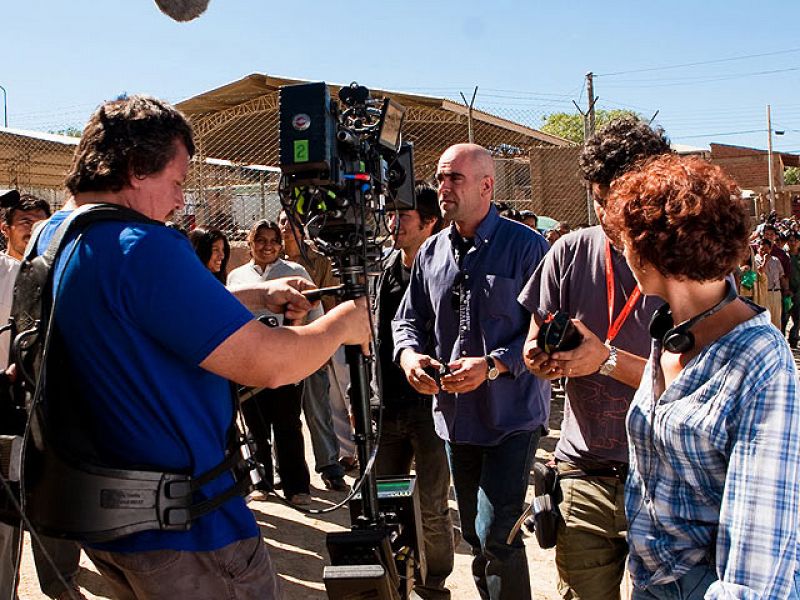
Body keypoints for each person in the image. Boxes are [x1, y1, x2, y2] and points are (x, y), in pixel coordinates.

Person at [31, 95, 369, 600]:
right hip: (191, 532)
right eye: (177, 181)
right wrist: (343, 325)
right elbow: (270, 363)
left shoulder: (56, 235)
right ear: (136, 169)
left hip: (108, 525)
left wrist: (256, 296)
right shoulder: (142, 245)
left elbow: (132, 309)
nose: (179, 201)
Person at [605, 154, 800, 598]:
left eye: (627, 242)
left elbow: (758, 553)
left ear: (653, 251)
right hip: (653, 579)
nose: (623, 253)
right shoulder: (671, 332)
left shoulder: (759, 362)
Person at [520, 116, 670, 600]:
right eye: (598, 199)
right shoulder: (568, 252)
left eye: (616, 200)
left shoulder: (689, 263)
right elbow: (531, 344)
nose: (605, 214)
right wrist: (541, 359)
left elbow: (696, 388)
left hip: (667, 480)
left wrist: (605, 360)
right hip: (582, 473)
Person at [393, 143, 550, 600]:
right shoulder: (431, 252)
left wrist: (494, 365)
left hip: (512, 417)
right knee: (476, 536)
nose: (443, 187)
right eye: (441, 178)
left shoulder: (527, 248)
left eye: (455, 178)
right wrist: (409, 356)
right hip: (456, 420)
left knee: (498, 533)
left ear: (486, 186)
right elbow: (407, 319)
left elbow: (548, 329)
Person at [0, 191, 87, 600]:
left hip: (51, 401)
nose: (33, 230)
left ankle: (62, 584)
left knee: (55, 493)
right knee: (6, 504)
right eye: (25, 222)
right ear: (5, 228)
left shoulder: (60, 271)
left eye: (41, 223)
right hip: (5, 402)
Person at [373, 184, 453, 599]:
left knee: (432, 507)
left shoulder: (446, 270)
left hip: (432, 410)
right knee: (387, 498)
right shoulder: (387, 269)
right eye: (391, 215)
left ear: (429, 223)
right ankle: (395, 579)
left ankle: (433, 583)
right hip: (388, 408)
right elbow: (378, 339)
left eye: (403, 216)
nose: (393, 224)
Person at [227, 219, 317, 506]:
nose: (267, 246)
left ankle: (297, 486)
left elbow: (314, 315)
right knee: (255, 425)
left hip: (286, 361)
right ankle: (262, 482)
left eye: (273, 241)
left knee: (288, 423)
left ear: (280, 244)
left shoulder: (296, 273)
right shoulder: (237, 277)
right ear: (250, 242)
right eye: (261, 240)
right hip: (249, 362)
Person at [277, 209, 348, 491]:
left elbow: (330, 304)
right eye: (282, 222)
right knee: (284, 414)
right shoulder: (273, 260)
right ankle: (285, 470)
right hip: (281, 348)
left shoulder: (319, 262)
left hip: (312, 344)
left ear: (302, 227)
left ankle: (330, 466)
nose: (286, 227)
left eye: (291, 222)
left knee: (318, 408)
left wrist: (325, 345)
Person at [754, 237, 784, 329]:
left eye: (766, 249)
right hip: (763, 294)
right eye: (762, 249)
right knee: (766, 321)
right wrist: (765, 261)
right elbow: (760, 271)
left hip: (776, 293)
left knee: (777, 321)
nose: (764, 252)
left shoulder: (776, 260)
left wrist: (786, 290)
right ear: (758, 248)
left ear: (770, 249)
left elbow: (781, 276)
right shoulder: (755, 260)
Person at [786, 231, 800, 347]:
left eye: (796, 240)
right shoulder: (784, 256)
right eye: (791, 240)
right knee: (785, 317)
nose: (793, 243)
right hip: (787, 292)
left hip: (799, 292)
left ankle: (793, 338)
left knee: (798, 318)